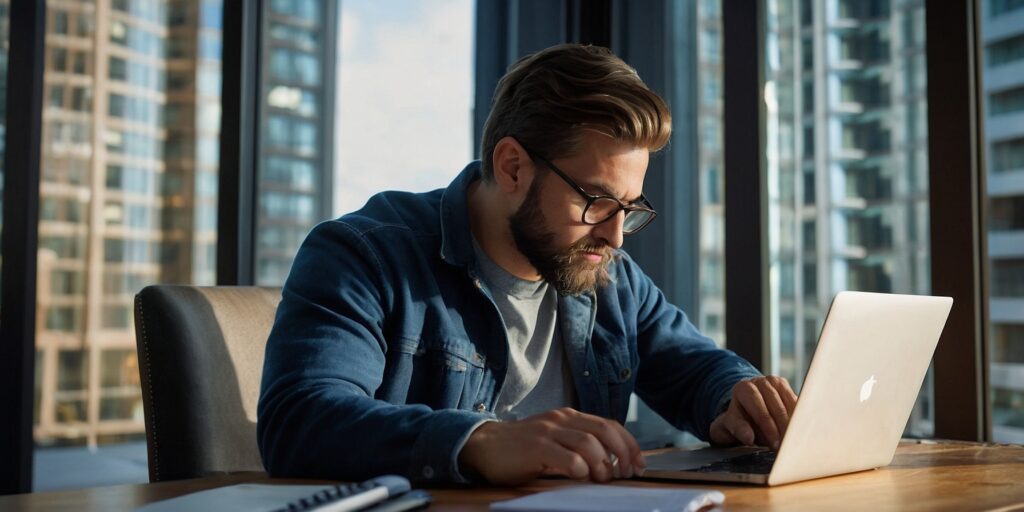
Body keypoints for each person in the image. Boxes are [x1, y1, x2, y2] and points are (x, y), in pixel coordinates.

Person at [257, 43, 798, 487]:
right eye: (596, 200)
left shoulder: (608, 278)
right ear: (512, 166)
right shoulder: (364, 256)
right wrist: (478, 441)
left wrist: (739, 399)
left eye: (629, 208)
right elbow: (300, 420)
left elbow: (697, 369)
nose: (613, 235)